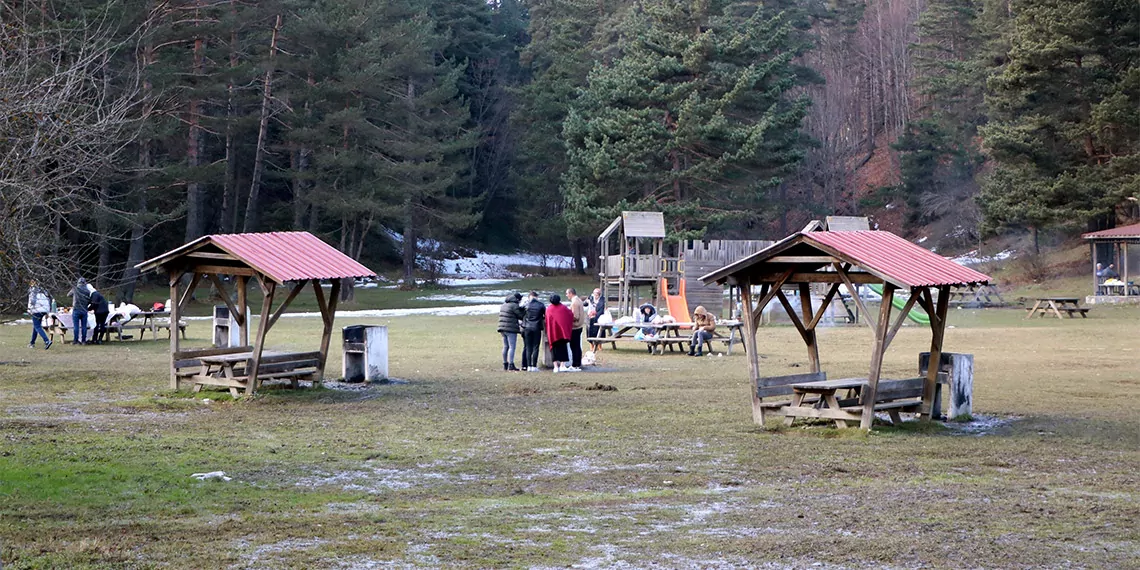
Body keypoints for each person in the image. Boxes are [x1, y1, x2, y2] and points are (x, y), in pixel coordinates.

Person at [545, 293, 574, 373]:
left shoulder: (548, 309)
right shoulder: (564, 308)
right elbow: (570, 315)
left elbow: (547, 320)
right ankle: (562, 365)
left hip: (553, 332)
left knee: (553, 349)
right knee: (563, 349)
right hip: (562, 333)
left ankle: (555, 367)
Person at [497, 293, 525, 371]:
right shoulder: (514, 305)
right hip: (510, 329)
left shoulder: (504, 305)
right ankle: (511, 364)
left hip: (502, 328)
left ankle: (505, 363)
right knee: (512, 347)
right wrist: (523, 310)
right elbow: (520, 316)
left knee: (505, 346)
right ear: (517, 299)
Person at [521, 291, 545, 372]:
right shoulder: (541, 305)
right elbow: (545, 315)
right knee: (536, 347)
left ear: (530, 297)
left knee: (528, 347)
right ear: (537, 297)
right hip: (536, 327)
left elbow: (521, 313)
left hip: (527, 327)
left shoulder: (526, 305)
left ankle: (528, 366)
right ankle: (534, 365)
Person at [26, 280, 52, 350]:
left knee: (37, 327)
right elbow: (49, 300)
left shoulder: (33, 291)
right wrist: (48, 311)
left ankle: (47, 341)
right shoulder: (44, 291)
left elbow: (32, 301)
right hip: (44, 310)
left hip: (36, 310)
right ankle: (32, 343)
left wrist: (29, 309)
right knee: (35, 327)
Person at [566, 288, 585, 370]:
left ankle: (575, 364)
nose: (566, 295)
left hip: (575, 327)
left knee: (574, 346)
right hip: (579, 326)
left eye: (567, 293)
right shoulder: (579, 300)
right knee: (577, 346)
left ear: (570, 293)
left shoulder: (574, 302)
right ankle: (578, 363)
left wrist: (566, 316)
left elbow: (575, 316)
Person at [71, 277, 91, 345]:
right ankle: (83, 341)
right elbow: (89, 300)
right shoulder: (87, 291)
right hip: (84, 309)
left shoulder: (75, 289)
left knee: (76, 326)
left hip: (76, 309)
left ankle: (75, 340)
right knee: (84, 326)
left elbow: (68, 295)